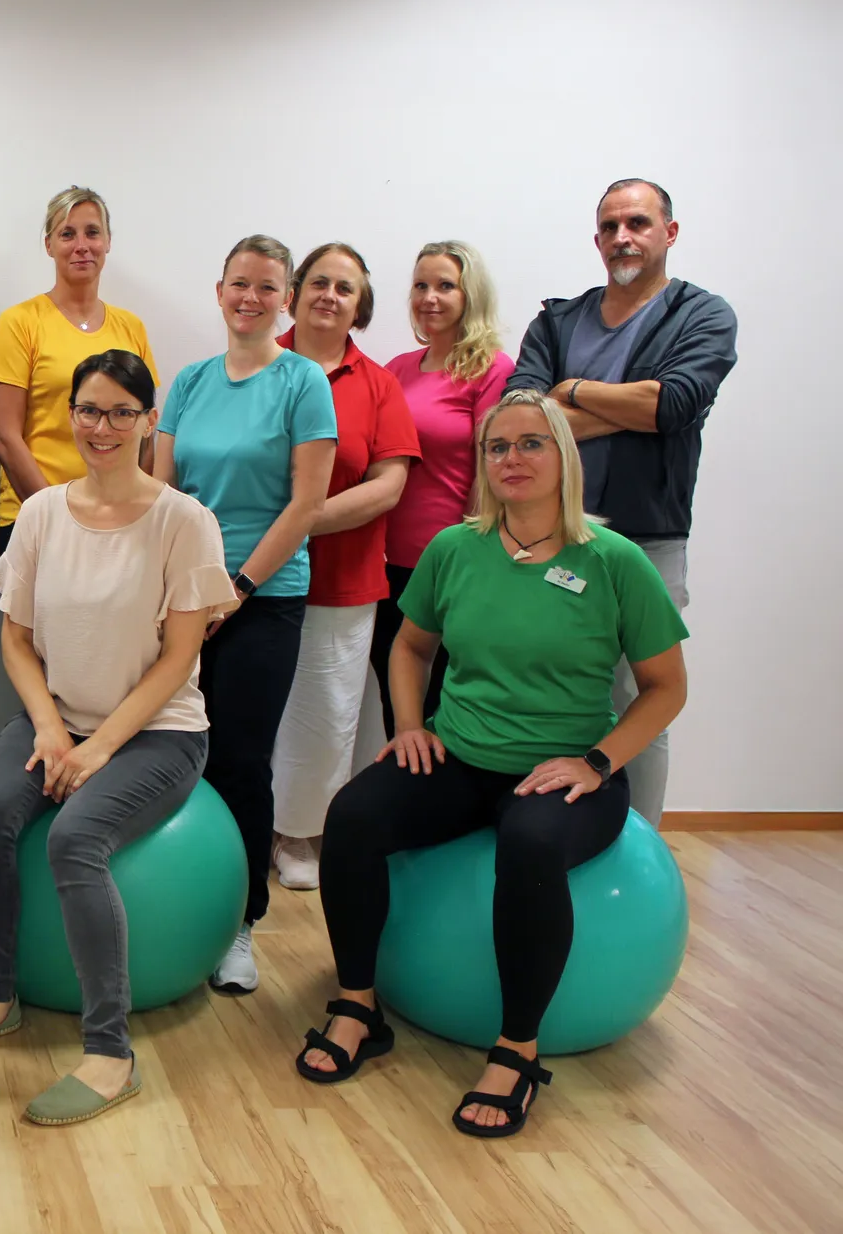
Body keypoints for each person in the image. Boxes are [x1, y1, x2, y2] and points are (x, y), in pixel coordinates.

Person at [296, 389, 688, 1140]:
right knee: (350, 817)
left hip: (564, 769)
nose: (513, 458)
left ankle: (517, 1049)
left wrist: (597, 763)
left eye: (531, 443)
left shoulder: (614, 561)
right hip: (462, 755)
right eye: (497, 446)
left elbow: (666, 687)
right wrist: (409, 726)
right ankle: (356, 1005)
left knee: (532, 842)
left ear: (563, 457)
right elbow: (409, 647)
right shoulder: (456, 549)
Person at [0, 351, 234, 1126]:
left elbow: (182, 657)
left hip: (158, 734)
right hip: (58, 718)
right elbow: (16, 639)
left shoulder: (185, 521)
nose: (103, 426)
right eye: (89, 409)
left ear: (150, 421)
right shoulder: (44, 512)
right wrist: (51, 728)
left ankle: (111, 1054)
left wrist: (98, 748)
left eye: (122, 411)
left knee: (73, 840)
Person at [507, 178, 736, 824]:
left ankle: (638, 848)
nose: (622, 237)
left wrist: (573, 390)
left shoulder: (702, 315)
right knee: (558, 694)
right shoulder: (558, 319)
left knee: (641, 698)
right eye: (610, 226)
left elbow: (677, 404)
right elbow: (521, 421)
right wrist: (638, 407)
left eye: (637, 223)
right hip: (553, 537)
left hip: (648, 539)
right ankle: (557, 833)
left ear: (670, 232)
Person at [153, 234, 336, 993]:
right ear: (219, 291)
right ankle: (177, 903)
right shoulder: (191, 382)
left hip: (265, 599)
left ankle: (241, 923)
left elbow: (307, 502)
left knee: (237, 760)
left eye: (267, 287)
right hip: (183, 596)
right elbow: (159, 493)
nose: (250, 299)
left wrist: (242, 584)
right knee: (168, 750)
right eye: (239, 285)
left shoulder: (303, 382)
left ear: (285, 298)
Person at [270, 244, 420, 890]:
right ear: (294, 291)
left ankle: (300, 829)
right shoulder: (255, 362)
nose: (330, 295)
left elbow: (388, 486)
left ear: (360, 307)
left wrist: (300, 520)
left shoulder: (379, 383)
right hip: (251, 576)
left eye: (346, 288)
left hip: (345, 578)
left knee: (325, 711)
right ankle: (247, 823)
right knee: (252, 704)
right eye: (320, 282)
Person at [375, 241, 515, 741]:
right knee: (399, 704)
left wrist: (474, 550)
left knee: (445, 706)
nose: (429, 297)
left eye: (445, 286)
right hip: (387, 562)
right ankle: (407, 806)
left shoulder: (491, 369)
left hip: (454, 561)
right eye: (420, 285)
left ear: (469, 295)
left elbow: (492, 470)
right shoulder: (397, 369)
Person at [0, 187, 158, 551]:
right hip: (36, 521)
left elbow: (144, 432)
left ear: (108, 241)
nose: (82, 244)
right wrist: (59, 518)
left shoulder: (132, 328)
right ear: (49, 245)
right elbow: (5, 437)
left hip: (119, 524)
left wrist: (134, 511)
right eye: (67, 233)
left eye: (92, 232)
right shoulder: (20, 323)